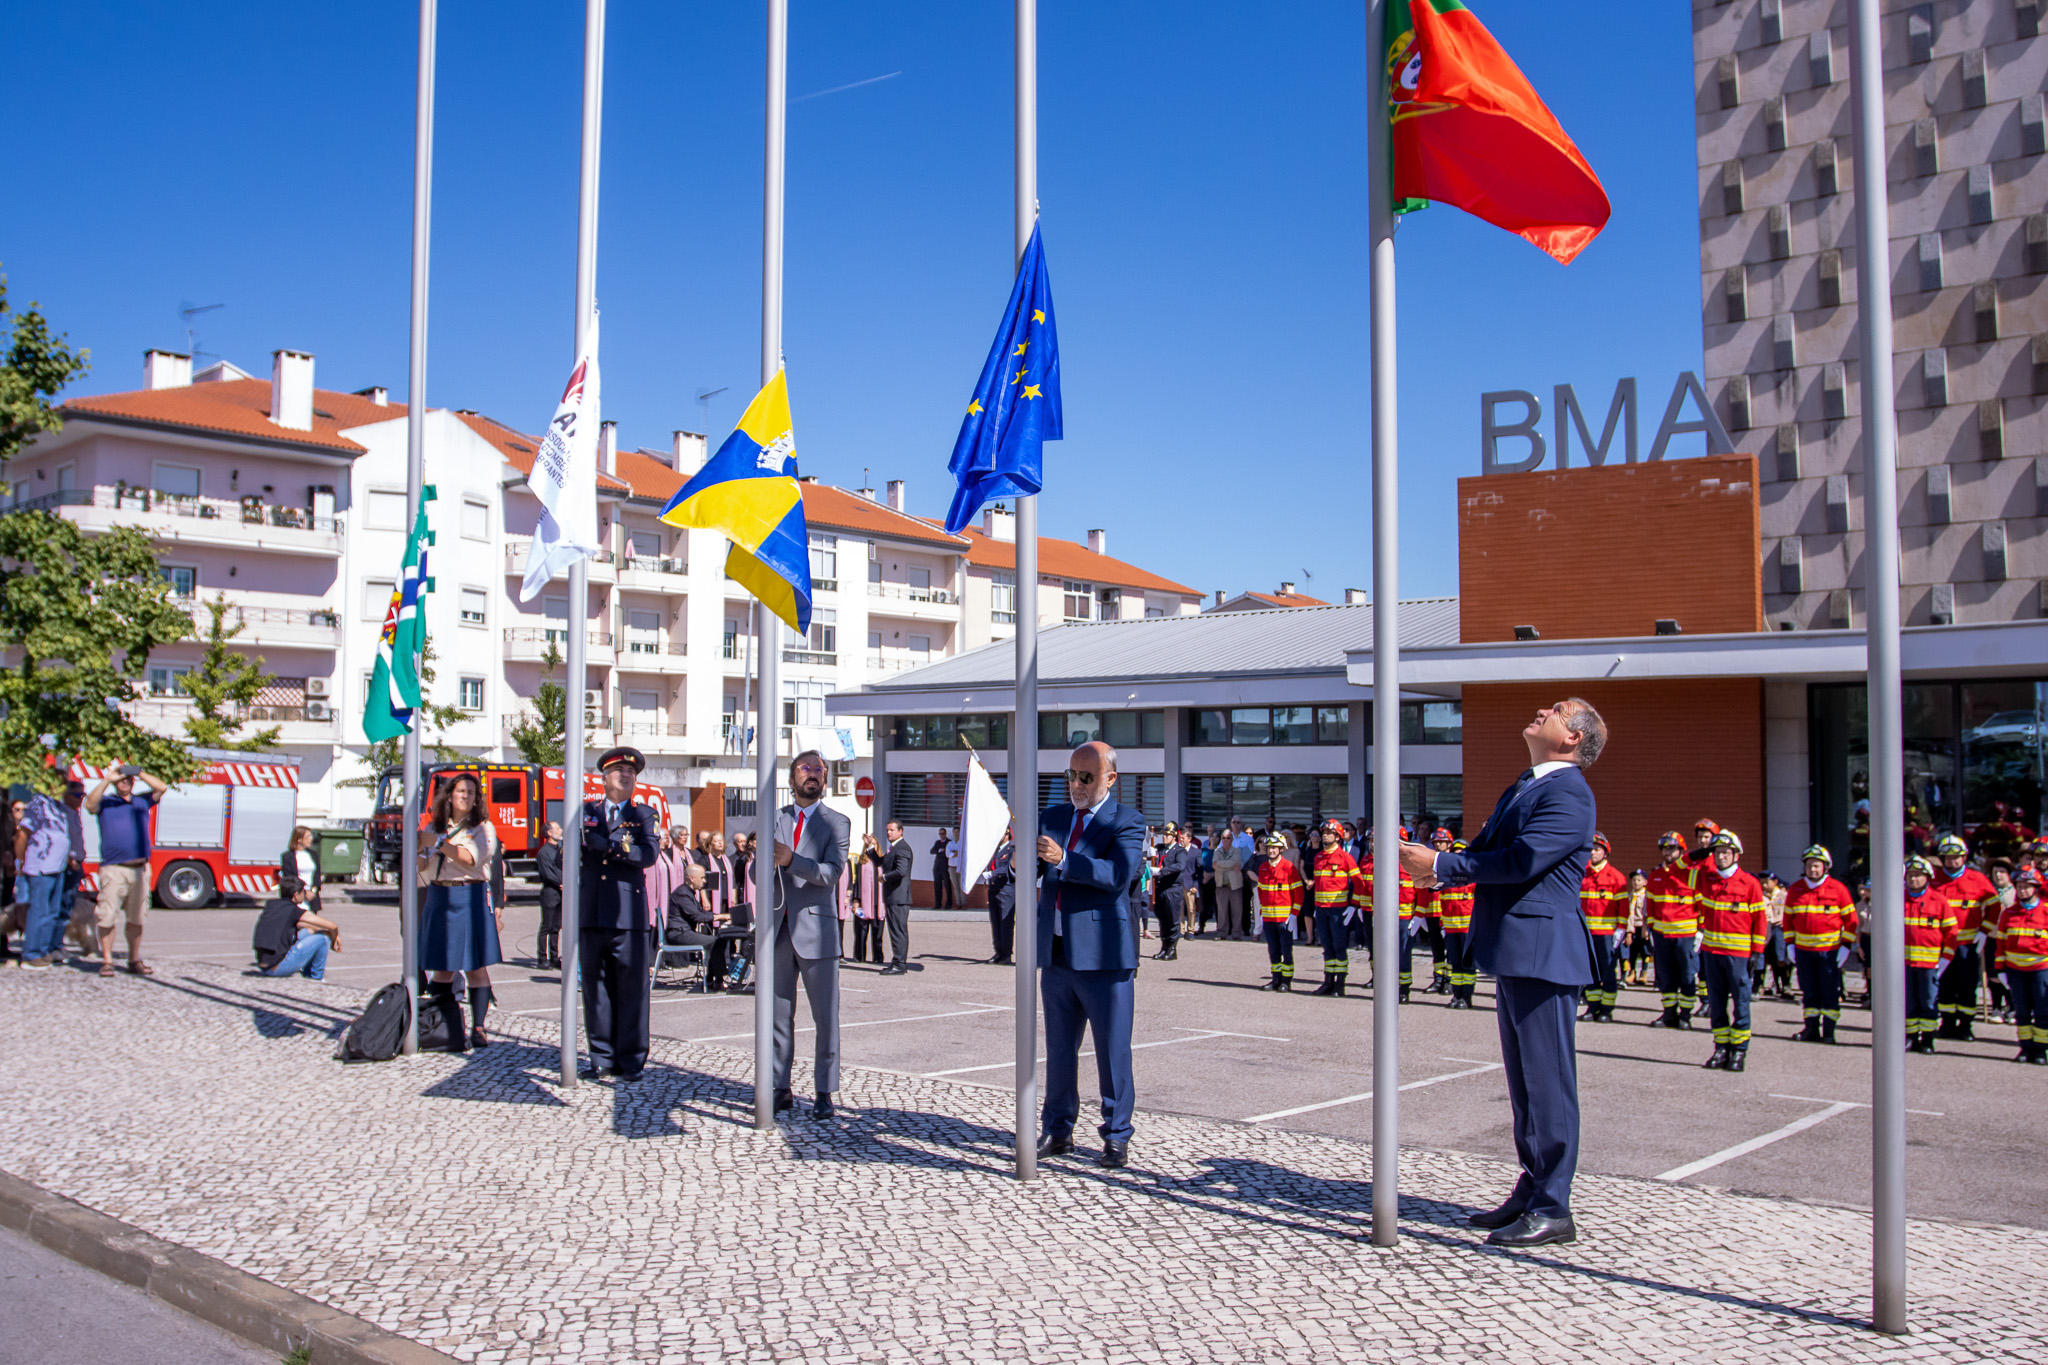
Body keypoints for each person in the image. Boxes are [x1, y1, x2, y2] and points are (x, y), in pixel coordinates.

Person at [1401, 696, 1605, 1248]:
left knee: (1549, 1082)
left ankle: (1553, 1206)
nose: (1542, 710)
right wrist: (1435, 868)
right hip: (1520, 950)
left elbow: (1521, 860)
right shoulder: (1528, 784)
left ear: (1573, 738)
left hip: (1544, 951)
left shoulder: (1568, 792)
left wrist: (1440, 865)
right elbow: (1489, 849)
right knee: (1525, 1085)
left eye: (1557, 710)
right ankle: (1533, 1186)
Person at [1035, 740, 1145, 1169]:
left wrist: (1066, 859)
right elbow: (1034, 869)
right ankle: (1057, 1129)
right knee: (1059, 1050)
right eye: (1071, 776)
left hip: (1105, 957)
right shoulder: (1053, 817)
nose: (1076, 785)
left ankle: (1116, 1134)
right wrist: (1018, 864)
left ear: (1110, 779)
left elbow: (1117, 875)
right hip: (1058, 952)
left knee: (1112, 1051)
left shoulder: (1127, 821)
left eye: (1086, 777)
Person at [767, 750, 851, 1117]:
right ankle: (779, 1087)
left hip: (817, 931)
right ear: (792, 779)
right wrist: (759, 860)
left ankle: (823, 1091)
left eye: (819, 769)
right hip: (778, 931)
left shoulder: (837, 823)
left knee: (825, 1018)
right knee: (777, 1015)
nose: (812, 774)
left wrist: (791, 860)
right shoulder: (775, 818)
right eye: (805, 768)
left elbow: (830, 873)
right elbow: (756, 875)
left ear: (825, 781)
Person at [578, 748, 660, 1079]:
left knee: (632, 990)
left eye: (631, 772)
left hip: (628, 916)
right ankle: (601, 1058)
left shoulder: (644, 814)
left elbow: (648, 854)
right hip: (592, 910)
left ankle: (631, 1060)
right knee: (595, 988)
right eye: (619, 771)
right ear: (604, 778)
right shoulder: (586, 811)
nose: (626, 775)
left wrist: (613, 847)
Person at [417, 771, 502, 1051]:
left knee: (475, 966)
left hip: (469, 895)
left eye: (471, 792)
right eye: (461, 791)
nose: (466, 796)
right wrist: (419, 849)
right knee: (442, 967)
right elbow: (422, 866)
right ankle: (442, 1024)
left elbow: (470, 859)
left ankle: (479, 1027)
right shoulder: (435, 826)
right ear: (450, 796)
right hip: (439, 895)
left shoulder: (483, 828)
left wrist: (438, 844)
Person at [1694, 830, 1767, 1072]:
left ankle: (1739, 1051)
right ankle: (1721, 1048)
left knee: (1741, 1003)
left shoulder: (1750, 883)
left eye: (1726, 852)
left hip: (1738, 956)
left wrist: (1757, 952)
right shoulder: (1707, 879)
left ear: (1736, 855)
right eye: (1717, 852)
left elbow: (1760, 920)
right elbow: (1678, 872)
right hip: (1712, 954)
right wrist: (1698, 854)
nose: (1721, 857)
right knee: (1717, 1004)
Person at [85, 765, 167, 977]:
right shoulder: (106, 802)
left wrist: (138, 772)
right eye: (121, 779)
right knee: (107, 917)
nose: (125, 781)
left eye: (128, 779)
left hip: (139, 870)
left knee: (136, 918)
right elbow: (89, 805)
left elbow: (162, 787)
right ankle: (107, 961)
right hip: (113, 869)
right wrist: (107, 779)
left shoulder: (142, 801)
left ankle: (134, 959)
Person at [1784, 844, 1855, 1044]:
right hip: (1804, 952)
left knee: (1830, 992)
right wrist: (1790, 944)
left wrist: (1846, 946)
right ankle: (1811, 1029)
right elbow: (1788, 920)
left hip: (1829, 952)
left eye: (1816, 865)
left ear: (1826, 867)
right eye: (1809, 865)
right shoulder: (1796, 889)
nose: (1812, 869)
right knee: (1809, 992)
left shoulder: (1838, 890)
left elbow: (1851, 920)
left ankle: (1829, 1032)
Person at [1932, 833, 1997, 1041]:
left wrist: (1984, 931)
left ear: (1964, 857)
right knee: (1944, 985)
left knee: (1967, 985)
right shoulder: (1934, 880)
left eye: (1956, 857)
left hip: (1967, 944)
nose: (1952, 862)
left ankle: (1966, 1025)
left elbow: (1994, 906)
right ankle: (1947, 1023)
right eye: (1948, 858)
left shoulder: (1977, 880)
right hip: (1941, 945)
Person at [13, 772, 74, 971]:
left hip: (57, 867)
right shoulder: (38, 805)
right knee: (39, 912)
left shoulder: (57, 807)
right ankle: (32, 954)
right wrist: (20, 861)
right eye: (59, 783)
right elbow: (23, 834)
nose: (62, 788)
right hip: (41, 867)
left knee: (52, 912)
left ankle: (44, 950)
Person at [1645, 832, 1701, 1028]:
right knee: (1666, 977)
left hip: (1686, 936)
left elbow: (1701, 904)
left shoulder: (1691, 874)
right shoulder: (1656, 875)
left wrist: (1701, 932)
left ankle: (1685, 1016)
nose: (1667, 852)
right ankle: (1669, 1013)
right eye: (1665, 848)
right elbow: (1650, 905)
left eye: (1672, 848)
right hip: (1662, 935)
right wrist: (1651, 929)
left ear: (1681, 851)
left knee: (1687, 976)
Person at [1903, 854, 1958, 1054]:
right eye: (1910, 875)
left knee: (1928, 1001)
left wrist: (1945, 959)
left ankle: (1927, 1039)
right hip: (1905, 964)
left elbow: (1951, 932)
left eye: (1918, 875)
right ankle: (1910, 1038)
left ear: (1928, 877)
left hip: (1929, 964)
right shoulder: (1898, 898)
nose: (1914, 879)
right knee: (1908, 1003)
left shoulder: (1939, 901)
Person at [1992, 868, 2048, 1063]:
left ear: (2036, 889)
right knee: (2021, 1012)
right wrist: (2000, 969)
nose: (2022, 890)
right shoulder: (2009, 913)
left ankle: (2040, 1050)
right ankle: (2025, 1048)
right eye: (2020, 886)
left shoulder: (2046, 912)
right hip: (2015, 970)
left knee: (2043, 1011)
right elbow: (2001, 942)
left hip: (2041, 970)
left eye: (2027, 887)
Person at [1306, 819, 1366, 997]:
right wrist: (1317, 907)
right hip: (1321, 909)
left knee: (1339, 946)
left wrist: (1353, 905)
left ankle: (1340, 984)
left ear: (1338, 837)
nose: (1325, 835)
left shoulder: (1345, 858)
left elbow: (1359, 883)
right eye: (1324, 832)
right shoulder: (1318, 857)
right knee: (1327, 946)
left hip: (1338, 910)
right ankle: (1328, 982)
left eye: (1329, 833)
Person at [1578, 834, 1628, 1022]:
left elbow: (1624, 908)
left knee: (1608, 973)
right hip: (1586, 934)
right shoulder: (1582, 875)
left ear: (1605, 852)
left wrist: (1621, 929)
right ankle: (1592, 1008)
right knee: (1590, 973)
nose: (1592, 852)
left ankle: (1607, 1010)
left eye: (1597, 849)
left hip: (1607, 935)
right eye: (1590, 849)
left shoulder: (1616, 877)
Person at [252, 872, 340, 979]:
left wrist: (325, 931)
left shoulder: (273, 907)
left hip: (264, 966)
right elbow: (333, 926)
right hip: (278, 968)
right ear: (296, 894)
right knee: (322, 939)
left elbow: (305, 926)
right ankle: (316, 978)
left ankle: (308, 974)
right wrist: (334, 938)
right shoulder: (294, 911)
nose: (305, 894)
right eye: (303, 892)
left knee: (310, 932)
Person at [1252, 833, 1303, 991]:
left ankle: (1286, 981)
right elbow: (1261, 891)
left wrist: (1294, 914)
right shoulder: (1263, 868)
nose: (1271, 850)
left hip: (1284, 919)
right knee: (1273, 950)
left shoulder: (1289, 867)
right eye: (1269, 848)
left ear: (1281, 849)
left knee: (1286, 950)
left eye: (1275, 847)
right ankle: (1275, 979)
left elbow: (1298, 892)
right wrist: (1262, 912)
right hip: (1268, 918)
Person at [1437, 843, 1477, 1008]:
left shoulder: (1473, 880)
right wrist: (1442, 925)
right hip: (1451, 929)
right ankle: (1457, 994)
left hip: (1467, 929)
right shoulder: (1448, 880)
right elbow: (1442, 903)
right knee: (1455, 963)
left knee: (1467, 964)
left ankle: (1467, 997)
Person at [1151, 825, 1195, 959]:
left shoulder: (1179, 851)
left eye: (1167, 835)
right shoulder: (1160, 848)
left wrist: (1162, 871)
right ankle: (1164, 947)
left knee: (1172, 920)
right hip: (1161, 889)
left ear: (1174, 837)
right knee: (1162, 920)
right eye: (1163, 834)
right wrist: (1150, 853)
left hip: (1172, 889)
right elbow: (1150, 855)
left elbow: (1179, 866)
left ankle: (1172, 949)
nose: (1164, 837)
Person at [880, 819, 914, 975]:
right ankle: (896, 961)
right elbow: (882, 862)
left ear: (900, 831)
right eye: (887, 830)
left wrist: (884, 877)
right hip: (893, 896)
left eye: (892, 830)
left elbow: (901, 871)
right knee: (894, 930)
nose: (888, 832)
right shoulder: (893, 848)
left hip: (899, 897)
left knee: (898, 931)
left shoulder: (902, 849)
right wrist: (870, 848)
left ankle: (900, 964)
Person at [985, 824, 1017, 964]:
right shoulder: (994, 850)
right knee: (995, 922)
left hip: (1006, 888)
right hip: (994, 888)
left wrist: (992, 873)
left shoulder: (1011, 849)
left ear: (1007, 833)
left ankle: (1006, 954)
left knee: (1006, 922)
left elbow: (1009, 867)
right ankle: (998, 951)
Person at [535, 821, 564, 969]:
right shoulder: (544, 852)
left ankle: (554, 957)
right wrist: (560, 883)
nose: (561, 830)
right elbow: (547, 873)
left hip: (560, 892)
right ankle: (542, 958)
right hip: (550, 892)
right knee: (546, 926)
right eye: (557, 828)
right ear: (549, 833)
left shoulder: (560, 850)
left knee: (556, 927)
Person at [1211, 827, 1246, 940]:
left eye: (1228, 838)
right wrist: (1230, 866)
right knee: (1222, 911)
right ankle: (1222, 933)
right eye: (1224, 838)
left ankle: (1236, 934)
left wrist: (1221, 865)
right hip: (1221, 885)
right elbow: (1214, 865)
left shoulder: (1237, 851)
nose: (1226, 840)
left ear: (1232, 839)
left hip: (1235, 886)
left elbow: (1236, 863)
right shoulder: (1217, 851)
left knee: (1237, 911)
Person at [280, 825, 322, 916]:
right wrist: (304, 892)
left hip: (311, 898)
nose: (311, 839)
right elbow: (289, 878)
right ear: (299, 839)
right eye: (308, 836)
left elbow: (317, 875)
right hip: (296, 896)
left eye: (311, 836)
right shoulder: (287, 857)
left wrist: (313, 891)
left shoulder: (313, 855)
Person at [929, 828, 955, 909]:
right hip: (937, 867)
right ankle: (938, 904)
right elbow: (932, 851)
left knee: (947, 886)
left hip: (945, 867)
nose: (941, 835)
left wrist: (943, 851)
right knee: (937, 886)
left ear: (946, 834)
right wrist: (940, 850)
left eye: (943, 833)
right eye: (940, 834)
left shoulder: (949, 842)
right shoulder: (937, 842)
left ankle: (948, 904)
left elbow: (950, 853)